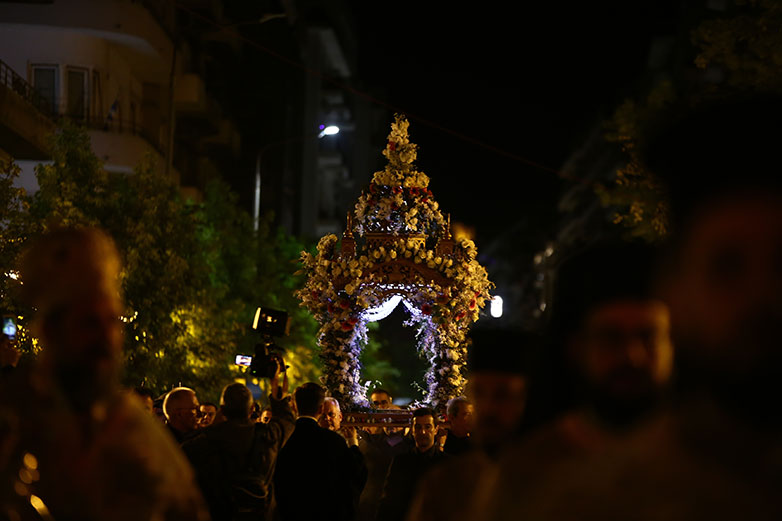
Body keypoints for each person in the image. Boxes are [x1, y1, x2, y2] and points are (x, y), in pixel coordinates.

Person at [472, 95, 782, 520]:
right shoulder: (585, 501)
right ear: (677, 291)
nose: (763, 296)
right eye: (726, 268)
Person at [0, 227, 209, 521]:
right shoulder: (13, 414)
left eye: (111, 321)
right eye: (89, 323)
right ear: (51, 331)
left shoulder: (134, 426)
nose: (105, 338)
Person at [406, 328, 533, 521]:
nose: (488, 408)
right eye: (479, 393)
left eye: (502, 395)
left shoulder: (554, 481)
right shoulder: (446, 483)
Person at [183, 372, 294, 521]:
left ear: (222, 409)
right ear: (252, 409)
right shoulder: (268, 436)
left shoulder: (206, 440)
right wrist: (277, 392)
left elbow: (181, 454)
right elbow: (286, 421)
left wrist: (211, 427)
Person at [273, 382, 367, 521]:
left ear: (293, 406)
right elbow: (355, 475)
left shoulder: (284, 437)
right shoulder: (334, 441)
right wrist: (353, 444)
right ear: (321, 408)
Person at [377, 407, 448, 521]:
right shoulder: (401, 461)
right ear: (412, 430)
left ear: (436, 429)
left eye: (427, 427)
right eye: (418, 427)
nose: (422, 432)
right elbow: (388, 500)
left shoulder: (446, 463)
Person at [357, 389, 414, 521]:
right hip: (371, 502)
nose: (390, 423)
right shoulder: (369, 441)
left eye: (395, 419)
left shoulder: (408, 443)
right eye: (376, 404)